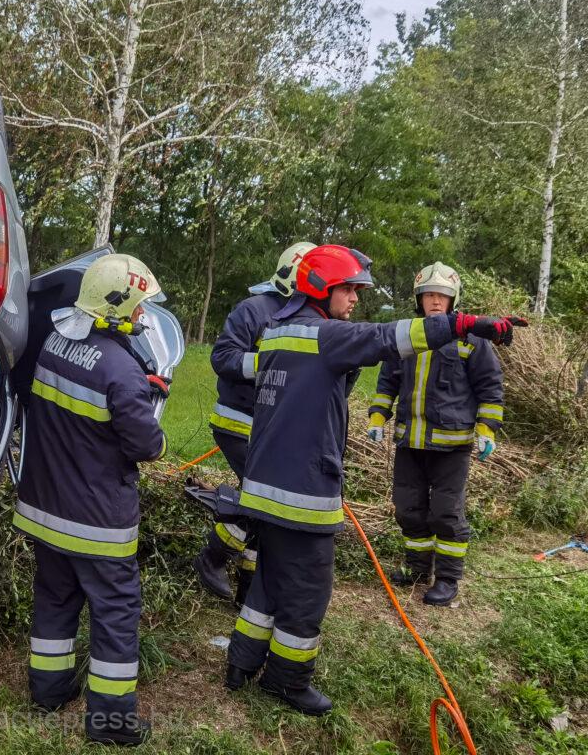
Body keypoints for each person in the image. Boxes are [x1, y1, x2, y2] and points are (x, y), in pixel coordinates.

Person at [222, 244, 525, 716]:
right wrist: (465, 323)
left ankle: (240, 664)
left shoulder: (279, 332)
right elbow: (390, 337)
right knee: (307, 590)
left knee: (269, 577)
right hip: (304, 492)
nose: (355, 299)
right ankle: (286, 679)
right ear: (323, 288)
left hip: (263, 485)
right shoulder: (328, 336)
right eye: (349, 289)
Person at [13, 253, 168, 746]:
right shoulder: (122, 370)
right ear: (117, 309)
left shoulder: (55, 344)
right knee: (116, 613)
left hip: (45, 511)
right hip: (98, 523)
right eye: (140, 308)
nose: (144, 317)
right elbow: (146, 446)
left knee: (55, 598)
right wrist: (150, 402)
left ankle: (49, 690)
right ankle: (111, 721)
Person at [367, 263, 504, 606]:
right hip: (409, 442)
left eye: (442, 295)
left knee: (445, 512)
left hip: (452, 447)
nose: (435, 301)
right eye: (429, 295)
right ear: (419, 299)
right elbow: (388, 383)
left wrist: (487, 430)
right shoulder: (407, 336)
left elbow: (490, 388)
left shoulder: (472, 338)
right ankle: (416, 569)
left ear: (453, 299)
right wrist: (377, 415)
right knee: (408, 509)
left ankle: (447, 579)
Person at [193, 242, 315, 606]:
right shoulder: (255, 309)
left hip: (276, 432)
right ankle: (213, 556)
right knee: (262, 500)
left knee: (269, 508)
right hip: (239, 423)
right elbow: (223, 357)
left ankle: (249, 587)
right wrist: (271, 363)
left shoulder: (309, 317)